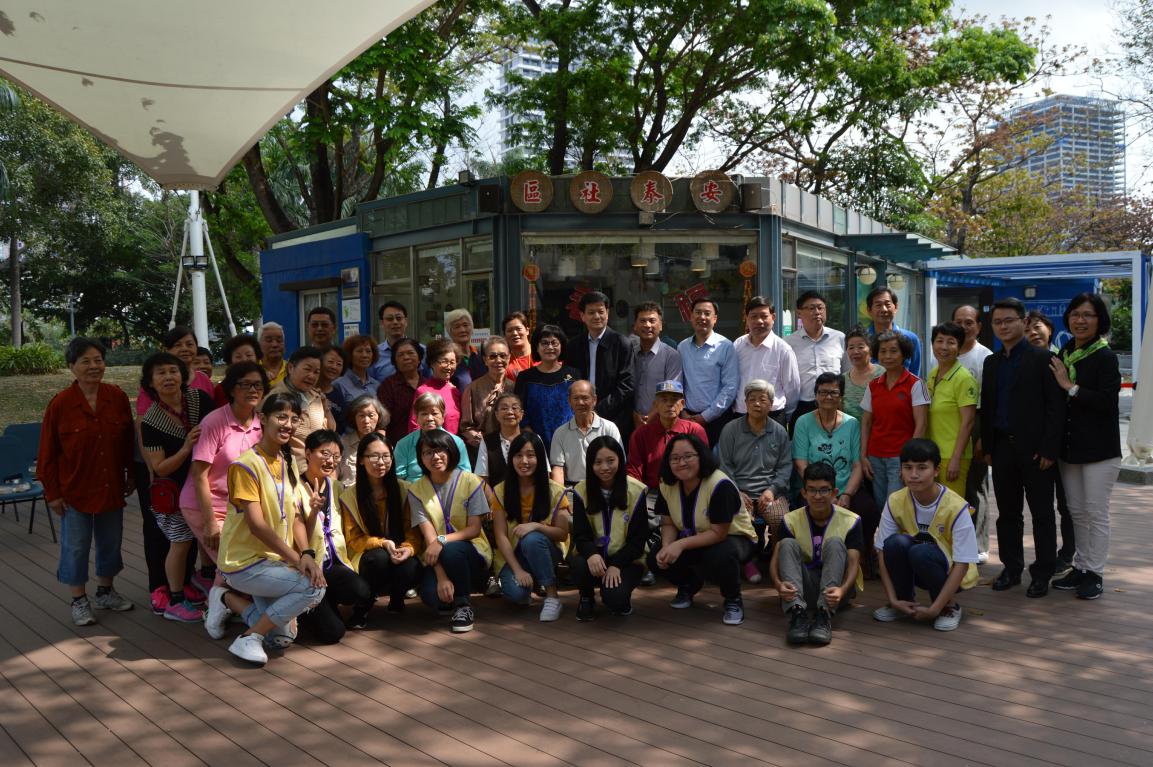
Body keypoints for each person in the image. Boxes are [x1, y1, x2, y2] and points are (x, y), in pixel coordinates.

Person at [204, 393, 326, 665]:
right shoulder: (245, 466)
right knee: (313, 587)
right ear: (262, 418)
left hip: (273, 561)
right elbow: (257, 526)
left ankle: (225, 600)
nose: (288, 424)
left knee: (280, 639)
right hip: (243, 562)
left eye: (294, 419)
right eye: (281, 417)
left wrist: (306, 553)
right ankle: (249, 637)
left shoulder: (287, 461)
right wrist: (298, 561)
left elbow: (294, 515)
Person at [38, 338, 136, 626]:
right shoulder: (60, 404)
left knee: (111, 542)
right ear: (72, 366)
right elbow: (47, 453)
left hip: (110, 486)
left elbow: (127, 442)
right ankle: (79, 600)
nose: (94, 366)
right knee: (76, 546)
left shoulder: (116, 397)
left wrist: (130, 475)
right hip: (74, 490)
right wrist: (53, 494)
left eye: (98, 360)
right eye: (86, 361)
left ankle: (106, 591)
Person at [980, 297, 1065, 598]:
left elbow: (1055, 408)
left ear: (1024, 322)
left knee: (1042, 513)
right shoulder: (991, 363)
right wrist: (988, 446)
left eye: (1009, 321)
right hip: (1002, 448)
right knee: (1007, 513)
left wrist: (1049, 449)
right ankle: (1012, 568)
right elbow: (988, 407)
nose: (1003, 326)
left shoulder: (1043, 359)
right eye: (997, 322)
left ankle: (1042, 572)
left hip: (1036, 451)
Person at [134, 325, 216, 610]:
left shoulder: (199, 399)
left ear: (183, 375)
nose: (168, 377)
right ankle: (175, 598)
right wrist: (185, 448)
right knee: (180, 542)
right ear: (150, 383)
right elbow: (160, 468)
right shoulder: (151, 420)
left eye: (173, 371)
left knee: (204, 538)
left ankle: (199, 583)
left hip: (205, 485)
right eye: (161, 373)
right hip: (173, 490)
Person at [1049, 293, 1122, 600]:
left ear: (1099, 320)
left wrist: (1070, 387)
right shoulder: (1066, 351)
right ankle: (1080, 566)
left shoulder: (1105, 357)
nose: (1080, 320)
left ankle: (1095, 572)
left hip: (1099, 450)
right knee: (1076, 512)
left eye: (1088, 315)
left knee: (1096, 512)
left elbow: (1107, 402)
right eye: (1075, 314)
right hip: (1071, 447)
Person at [872, 439, 979, 632]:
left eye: (922, 468)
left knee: (920, 552)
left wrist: (934, 610)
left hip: (951, 572)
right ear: (901, 470)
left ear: (936, 470)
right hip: (918, 566)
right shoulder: (895, 500)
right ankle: (903, 602)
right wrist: (893, 599)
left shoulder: (956, 506)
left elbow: (963, 563)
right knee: (894, 543)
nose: (914, 474)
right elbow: (882, 552)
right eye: (908, 467)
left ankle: (948, 607)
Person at [651, 433, 757, 625]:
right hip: (694, 538)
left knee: (721, 555)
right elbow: (667, 523)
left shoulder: (720, 484)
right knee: (655, 555)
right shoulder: (667, 483)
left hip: (733, 539)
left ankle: (733, 599)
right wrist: (667, 547)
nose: (682, 463)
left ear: (701, 456)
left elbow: (719, 533)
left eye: (688, 456)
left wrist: (679, 545)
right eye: (675, 458)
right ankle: (688, 586)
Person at [183, 362, 267, 577]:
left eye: (258, 385)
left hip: (239, 506)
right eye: (245, 384)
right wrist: (210, 522)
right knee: (235, 566)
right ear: (231, 389)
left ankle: (220, 594)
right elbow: (199, 475)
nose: (252, 390)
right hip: (206, 505)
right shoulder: (215, 422)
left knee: (243, 563)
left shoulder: (261, 423)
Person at [770, 462, 863, 646]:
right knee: (787, 544)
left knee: (835, 542)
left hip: (836, 592)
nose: (818, 496)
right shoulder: (790, 520)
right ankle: (797, 613)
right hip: (803, 589)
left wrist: (842, 590)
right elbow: (775, 560)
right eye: (812, 490)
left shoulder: (851, 520)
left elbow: (854, 564)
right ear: (804, 493)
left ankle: (824, 615)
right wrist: (778, 585)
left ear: (834, 493)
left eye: (824, 490)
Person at [408, 430, 492, 633]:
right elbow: (429, 537)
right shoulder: (416, 490)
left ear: (451, 451)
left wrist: (442, 540)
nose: (435, 457)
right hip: (435, 556)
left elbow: (474, 529)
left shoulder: (470, 481)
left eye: (440, 450)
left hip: (470, 551)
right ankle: (452, 589)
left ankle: (463, 605)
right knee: (432, 596)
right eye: (428, 452)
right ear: (421, 457)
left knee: (451, 549)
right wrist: (442, 577)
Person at [791, 373, 875, 575]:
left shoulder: (852, 423)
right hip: (814, 488)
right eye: (822, 392)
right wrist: (823, 493)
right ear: (815, 395)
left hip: (846, 487)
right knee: (808, 509)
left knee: (868, 509)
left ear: (841, 396)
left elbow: (857, 465)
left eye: (833, 392)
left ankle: (861, 555)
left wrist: (846, 494)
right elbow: (801, 463)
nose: (828, 397)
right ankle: (812, 557)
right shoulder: (803, 422)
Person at [295, 430, 373, 643]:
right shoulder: (295, 489)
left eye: (336, 456)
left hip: (334, 563)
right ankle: (303, 608)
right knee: (333, 633)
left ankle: (325, 600)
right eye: (325, 454)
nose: (331, 461)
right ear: (308, 454)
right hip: (308, 568)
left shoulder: (337, 487)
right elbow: (296, 536)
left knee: (361, 591)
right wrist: (312, 513)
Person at [716, 379, 792, 584]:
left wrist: (772, 490)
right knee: (738, 518)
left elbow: (785, 467)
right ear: (745, 403)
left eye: (762, 399)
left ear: (771, 404)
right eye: (752, 399)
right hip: (739, 491)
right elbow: (724, 466)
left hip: (770, 493)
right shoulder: (731, 429)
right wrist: (736, 492)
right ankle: (746, 561)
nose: (757, 403)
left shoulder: (779, 431)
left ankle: (778, 562)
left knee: (781, 519)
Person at [489, 432, 572, 621]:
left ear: (540, 459)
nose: (524, 461)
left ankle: (552, 596)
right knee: (517, 595)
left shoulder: (555, 490)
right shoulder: (501, 490)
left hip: (546, 549)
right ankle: (531, 578)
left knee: (532, 539)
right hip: (514, 555)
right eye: (518, 455)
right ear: (511, 459)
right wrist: (517, 570)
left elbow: (562, 534)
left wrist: (536, 526)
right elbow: (501, 536)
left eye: (530, 455)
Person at [341, 433, 421, 621]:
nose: (381, 462)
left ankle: (397, 597)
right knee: (378, 559)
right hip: (368, 555)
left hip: (399, 550)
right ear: (361, 460)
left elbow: (413, 532)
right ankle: (364, 604)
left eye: (386, 456)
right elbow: (353, 539)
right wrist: (382, 543)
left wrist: (408, 549)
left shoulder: (405, 490)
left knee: (411, 566)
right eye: (374, 456)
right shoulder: (350, 496)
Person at [570, 436, 649, 621]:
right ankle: (586, 597)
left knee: (616, 600)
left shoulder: (636, 490)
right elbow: (580, 535)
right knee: (579, 564)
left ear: (620, 460)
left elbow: (638, 541)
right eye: (597, 462)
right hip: (595, 558)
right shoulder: (580, 491)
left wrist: (616, 564)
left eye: (610, 460)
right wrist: (591, 554)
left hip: (627, 559)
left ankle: (619, 598)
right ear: (590, 464)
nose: (604, 467)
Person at [1024, 310, 1075, 573]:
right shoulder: (1023, 363)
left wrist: (1050, 448)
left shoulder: (1063, 359)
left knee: (1067, 504)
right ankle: (1049, 557)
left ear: (1050, 329)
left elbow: (1060, 410)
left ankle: (1068, 554)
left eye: (1037, 327)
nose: (1033, 333)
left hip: (1064, 447)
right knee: (1043, 508)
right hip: (1036, 451)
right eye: (1027, 329)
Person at [860, 330, 929, 509]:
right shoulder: (873, 385)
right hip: (875, 457)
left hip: (900, 458)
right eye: (883, 351)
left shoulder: (915, 384)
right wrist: (863, 455)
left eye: (893, 351)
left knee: (895, 506)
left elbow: (921, 425)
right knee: (880, 505)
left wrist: (909, 461)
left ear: (904, 354)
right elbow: (866, 423)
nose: (888, 356)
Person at [953, 304, 994, 565]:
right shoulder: (945, 352)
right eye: (959, 322)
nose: (964, 327)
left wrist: (983, 438)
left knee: (975, 485)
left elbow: (990, 401)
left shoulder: (985, 357)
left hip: (977, 420)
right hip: (949, 422)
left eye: (969, 322)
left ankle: (979, 545)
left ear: (978, 327)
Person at [565, 290, 635, 431]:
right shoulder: (574, 345)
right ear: (582, 316)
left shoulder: (622, 344)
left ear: (607, 313)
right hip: (580, 417)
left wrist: (598, 410)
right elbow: (570, 380)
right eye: (591, 312)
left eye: (601, 312)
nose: (597, 316)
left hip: (614, 419)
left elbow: (627, 385)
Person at [926, 322, 978, 499]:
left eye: (951, 342)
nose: (944, 347)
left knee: (952, 507)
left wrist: (956, 458)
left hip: (953, 456)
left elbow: (968, 421)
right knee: (934, 507)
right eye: (939, 341)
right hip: (932, 454)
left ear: (959, 348)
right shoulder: (933, 374)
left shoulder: (964, 379)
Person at [678, 297, 740, 445]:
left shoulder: (725, 346)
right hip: (688, 417)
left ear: (715, 319)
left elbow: (730, 387)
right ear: (691, 317)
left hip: (718, 419)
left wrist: (706, 416)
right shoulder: (682, 347)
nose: (702, 317)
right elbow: (679, 383)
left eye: (707, 313)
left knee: (717, 458)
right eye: (698, 313)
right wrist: (682, 411)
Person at [627, 380, 708, 490]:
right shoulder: (641, 434)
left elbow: (704, 466)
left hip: (687, 492)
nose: (669, 404)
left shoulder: (694, 430)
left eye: (674, 399)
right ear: (656, 405)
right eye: (664, 400)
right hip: (651, 493)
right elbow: (634, 473)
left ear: (682, 404)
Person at [785, 290, 848, 430]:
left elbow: (847, 373)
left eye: (820, 308)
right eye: (811, 308)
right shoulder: (788, 343)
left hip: (834, 405)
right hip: (802, 406)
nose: (817, 312)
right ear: (799, 313)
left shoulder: (839, 338)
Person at [732, 296, 800, 426]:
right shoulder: (738, 345)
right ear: (746, 318)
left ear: (773, 317)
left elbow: (792, 389)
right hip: (741, 414)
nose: (759, 321)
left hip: (772, 416)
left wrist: (786, 416)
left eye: (764, 316)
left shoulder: (783, 349)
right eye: (754, 316)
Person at [270, 346, 337, 471]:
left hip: (317, 471)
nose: (311, 376)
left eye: (316, 372)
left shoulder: (316, 396)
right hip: (286, 472)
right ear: (291, 368)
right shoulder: (274, 397)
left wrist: (326, 407)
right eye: (307, 369)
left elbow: (330, 429)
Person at [513, 324, 577, 448]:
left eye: (554, 343)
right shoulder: (525, 377)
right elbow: (519, 410)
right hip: (535, 443)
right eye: (545, 343)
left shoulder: (574, 375)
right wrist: (533, 440)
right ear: (536, 347)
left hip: (570, 441)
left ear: (562, 346)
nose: (550, 347)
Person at [549, 380, 622, 486]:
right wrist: (560, 494)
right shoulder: (560, 433)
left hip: (603, 486)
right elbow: (558, 469)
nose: (580, 402)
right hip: (573, 489)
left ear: (594, 400)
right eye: (576, 398)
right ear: (569, 401)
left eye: (585, 398)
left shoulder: (609, 428)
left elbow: (619, 463)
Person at [394, 392, 471, 481]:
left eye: (434, 413)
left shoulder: (456, 442)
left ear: (443, 416)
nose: (429, 418)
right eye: (424, 414)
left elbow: (465, 475)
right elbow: (399, 478)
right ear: (416, 417)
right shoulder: (404, 444)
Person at [459, 336, 514, 461]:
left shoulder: (514, 387)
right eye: (492, 356)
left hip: (512, 450)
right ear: (485, 360)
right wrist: (484, 443)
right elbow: (465, 427)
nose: (498, 360)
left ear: (509, 357)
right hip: (481, 453)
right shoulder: (473, 388)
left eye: (503, 356)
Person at [629, 301, 682, 430]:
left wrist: (648, 418)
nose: (647, 325)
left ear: (661, 325)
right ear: (635, 326)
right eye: (642, 321)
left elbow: (671, 392)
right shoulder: (629, 354)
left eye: (652, 321)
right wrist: (634, 416)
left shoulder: (672, 355)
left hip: (662, 423)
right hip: (631, 422)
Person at [475, 392, 547, 486]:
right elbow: (482, 479)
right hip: (497, 495)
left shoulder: (535, 439)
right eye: (504, 408)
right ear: (496, 414)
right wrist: (492, 496)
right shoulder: (487, 441)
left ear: (522, 414)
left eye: (514, 408)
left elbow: (545, 473)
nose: (510, 412)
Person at [408, 338, 462, 434]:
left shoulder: (455, 391)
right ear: (432, 363)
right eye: (444, 361)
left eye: (452, 362)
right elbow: (414, 426)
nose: (449, 367)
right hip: (431, 443)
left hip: (453, 442)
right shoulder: (423, 391)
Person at [377, 337, 423, 447]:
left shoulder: (428, 385)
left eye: (410, 353)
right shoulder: (388, 386)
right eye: (400, 355)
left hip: (426, 445)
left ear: (419, 358)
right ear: (395, 361)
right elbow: (382, 422)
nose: (406, 357)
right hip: (398, 446)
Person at [331, 335, 383, 432]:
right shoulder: (338, 385)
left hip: (373, 437)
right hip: (348, 438)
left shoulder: (377, 385)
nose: (364, 355)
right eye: (359, 351)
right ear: (350, 355)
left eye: (368, 351)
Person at [865, 286, 922, 374]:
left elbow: (914, 374)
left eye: (887, 304)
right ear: (869, 310)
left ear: (896, 307)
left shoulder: (910, 339)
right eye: (878, 305)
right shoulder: (863, 340)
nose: (884, 309)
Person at [339, 395, 390, 486]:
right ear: (354, 417)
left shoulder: (384, 444)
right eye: (361, 415)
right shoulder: (343, 443)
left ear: (379, 418)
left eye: (371, 415)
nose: (366, 421)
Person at [370, 301, 424, 381]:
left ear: (406, 321)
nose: (395, 322)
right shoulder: (374, 354)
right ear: (382, 323)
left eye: (399, 318)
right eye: (390, 319)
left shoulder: (422, 350)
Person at [841, 327, 883, 421]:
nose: (855, 352)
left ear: (870, 349)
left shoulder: (883, 374)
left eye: (860, 347)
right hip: (851, 430)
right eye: (851, 347)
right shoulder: (843, 380)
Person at [212, 334, 263, 407]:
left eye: (249, 355)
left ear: (257, 358)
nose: (244, 360)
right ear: (230, 360)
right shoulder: (221, 389)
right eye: (238, 356)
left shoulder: (265, 382)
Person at [445, 308, 487, 389]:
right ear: (450, 332)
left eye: (465, 325)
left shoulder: (481, 354)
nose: (462, 330)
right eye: (457, 327)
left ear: (472, 328)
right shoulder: (447, 357)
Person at [318, 345, 348, 433]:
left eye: (339, 364)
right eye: (330, 362)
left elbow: (340, 428)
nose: (334, 367)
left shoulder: (339, 397)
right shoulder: (307, 389)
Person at [502, 311, 535, 380]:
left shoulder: (541, 354)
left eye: (518, 329)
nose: (514, 333)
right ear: (504, 335)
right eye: (510, 330)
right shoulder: (503, 361)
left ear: (527, 331)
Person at [258, 321, 288, 387]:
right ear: (259, 345)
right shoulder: (253, 370)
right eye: (269, 340)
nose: (275, 345)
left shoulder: (292, 370)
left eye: (279, 341)